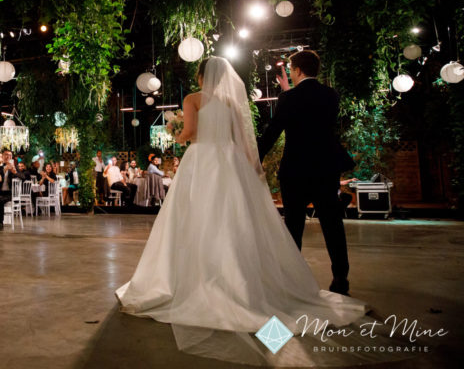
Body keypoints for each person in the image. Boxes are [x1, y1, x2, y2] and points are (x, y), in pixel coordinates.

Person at [116, 57, 366, 364]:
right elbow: (243, 139)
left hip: (211, 163)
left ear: (200, 75)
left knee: (203, 221)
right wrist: (253, 168)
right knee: (244, 222)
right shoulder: (246, 103)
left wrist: (176, 132)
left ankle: (204, 277)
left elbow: (194, 132)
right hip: (248, 164)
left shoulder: (195, 99)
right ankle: (323, 279)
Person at [258, 49, 355, 295]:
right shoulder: (330, 95)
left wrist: (254, 157)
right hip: (325, 167)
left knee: (294, 225)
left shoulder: (288, 99)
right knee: (332, 223)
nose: (290, 72)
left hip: (296, 169)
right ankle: (340, 278)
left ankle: (292, 279)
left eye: (291, 69)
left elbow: (273, 132)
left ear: (297, 70)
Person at [0, 150, 18, 228]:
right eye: (5, 155)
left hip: (9, 193)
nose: (7, 156)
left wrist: (15, 172)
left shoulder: (15, 168)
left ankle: (0, 222)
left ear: (11, 157)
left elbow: (23, 177)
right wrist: (5, 169)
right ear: (2, 157)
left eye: (9, 155)